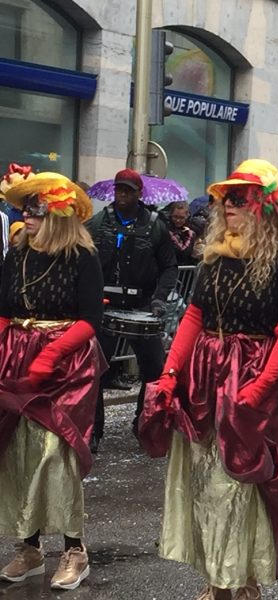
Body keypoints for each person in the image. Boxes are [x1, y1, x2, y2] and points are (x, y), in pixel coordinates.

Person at [138, 159, 278, 599]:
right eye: (226, 198)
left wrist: (259, 388)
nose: (229, 205)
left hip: (252, 371)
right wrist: (170, 373)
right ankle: (218, 576)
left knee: (239, 484)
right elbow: (194, 319)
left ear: (264, 206)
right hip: (204, 374)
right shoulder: (215, 254)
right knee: (205, 479)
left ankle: (242, 578)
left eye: (241, 198)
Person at [0, 173, 104, 590]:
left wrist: (51, 355)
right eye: (25, 210)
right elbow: (5, 307)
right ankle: (29, 547)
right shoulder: (17, 255)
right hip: (19, 356)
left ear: (59, 214)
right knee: (21, 452)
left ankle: (75, 550)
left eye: (37, 210)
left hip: (67, 363)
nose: (28, 217)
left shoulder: (82, 257)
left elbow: (90, 320)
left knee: (56, 454)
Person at [86, 168, 177, 452]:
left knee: (154, 370)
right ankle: (94, 431)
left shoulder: (156, 225)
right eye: (118, 190)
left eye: (127, 191)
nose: (121, 195)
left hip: (143, 307)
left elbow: (170, 267)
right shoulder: (98, 222)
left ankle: (144, 425)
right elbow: (84, 263)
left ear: (139, 194)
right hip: (104, 306)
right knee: (95, 372)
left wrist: (159, 299)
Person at [162, 200, 199, 265]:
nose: (178, 220)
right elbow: (181, 253)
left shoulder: (191, 230)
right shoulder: (164, 228)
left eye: (182, 218)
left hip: (185, 268)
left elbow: (185, 254)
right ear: (170, 215)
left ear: (187, 216)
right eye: (175, 216)